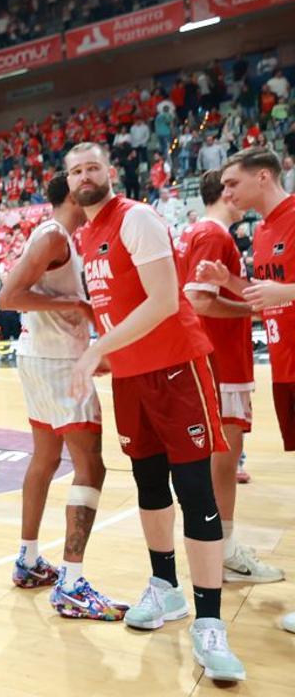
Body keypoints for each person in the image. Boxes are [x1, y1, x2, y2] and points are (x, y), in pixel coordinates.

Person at [65, 141, 244, 681]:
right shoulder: (86, 234)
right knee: (148, 484)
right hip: (131, 378)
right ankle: (165, 588)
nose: (84, 176)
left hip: (176, 370)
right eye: (75, 171)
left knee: (194, 491)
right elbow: (119, 306)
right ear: (69, 183)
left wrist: (97, 348)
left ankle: (210, 623)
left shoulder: (135, 218)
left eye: (92, 167)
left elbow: (165, 300)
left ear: (110, 172)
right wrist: (109, 353)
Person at [0, 175, 126, 619]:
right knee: (91, 466)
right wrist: (76, 306)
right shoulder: (53, 235)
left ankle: (28, 560)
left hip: (40, 357)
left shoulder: (60, 237)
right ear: (72, 195)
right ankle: (71, 584)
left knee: (46, 459)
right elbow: (8, 297)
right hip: (56, 363)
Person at [199, 148, 295, 633]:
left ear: (263, 177)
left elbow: (280, 293)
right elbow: (263, 295)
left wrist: (286, 293)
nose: (227, 192)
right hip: (285, 368)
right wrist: (231, 281)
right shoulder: (259, 232)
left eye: (233, 183)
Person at [177, 169, 283, 585]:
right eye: (235, 185)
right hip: (219, 360)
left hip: (211, 359)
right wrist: (253, 309)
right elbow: (199, 301)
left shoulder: (194, 232)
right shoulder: (214, 235)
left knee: (219, 456)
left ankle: (218, 547)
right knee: (225, 456)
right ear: (225, 192)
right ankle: (223, 551)